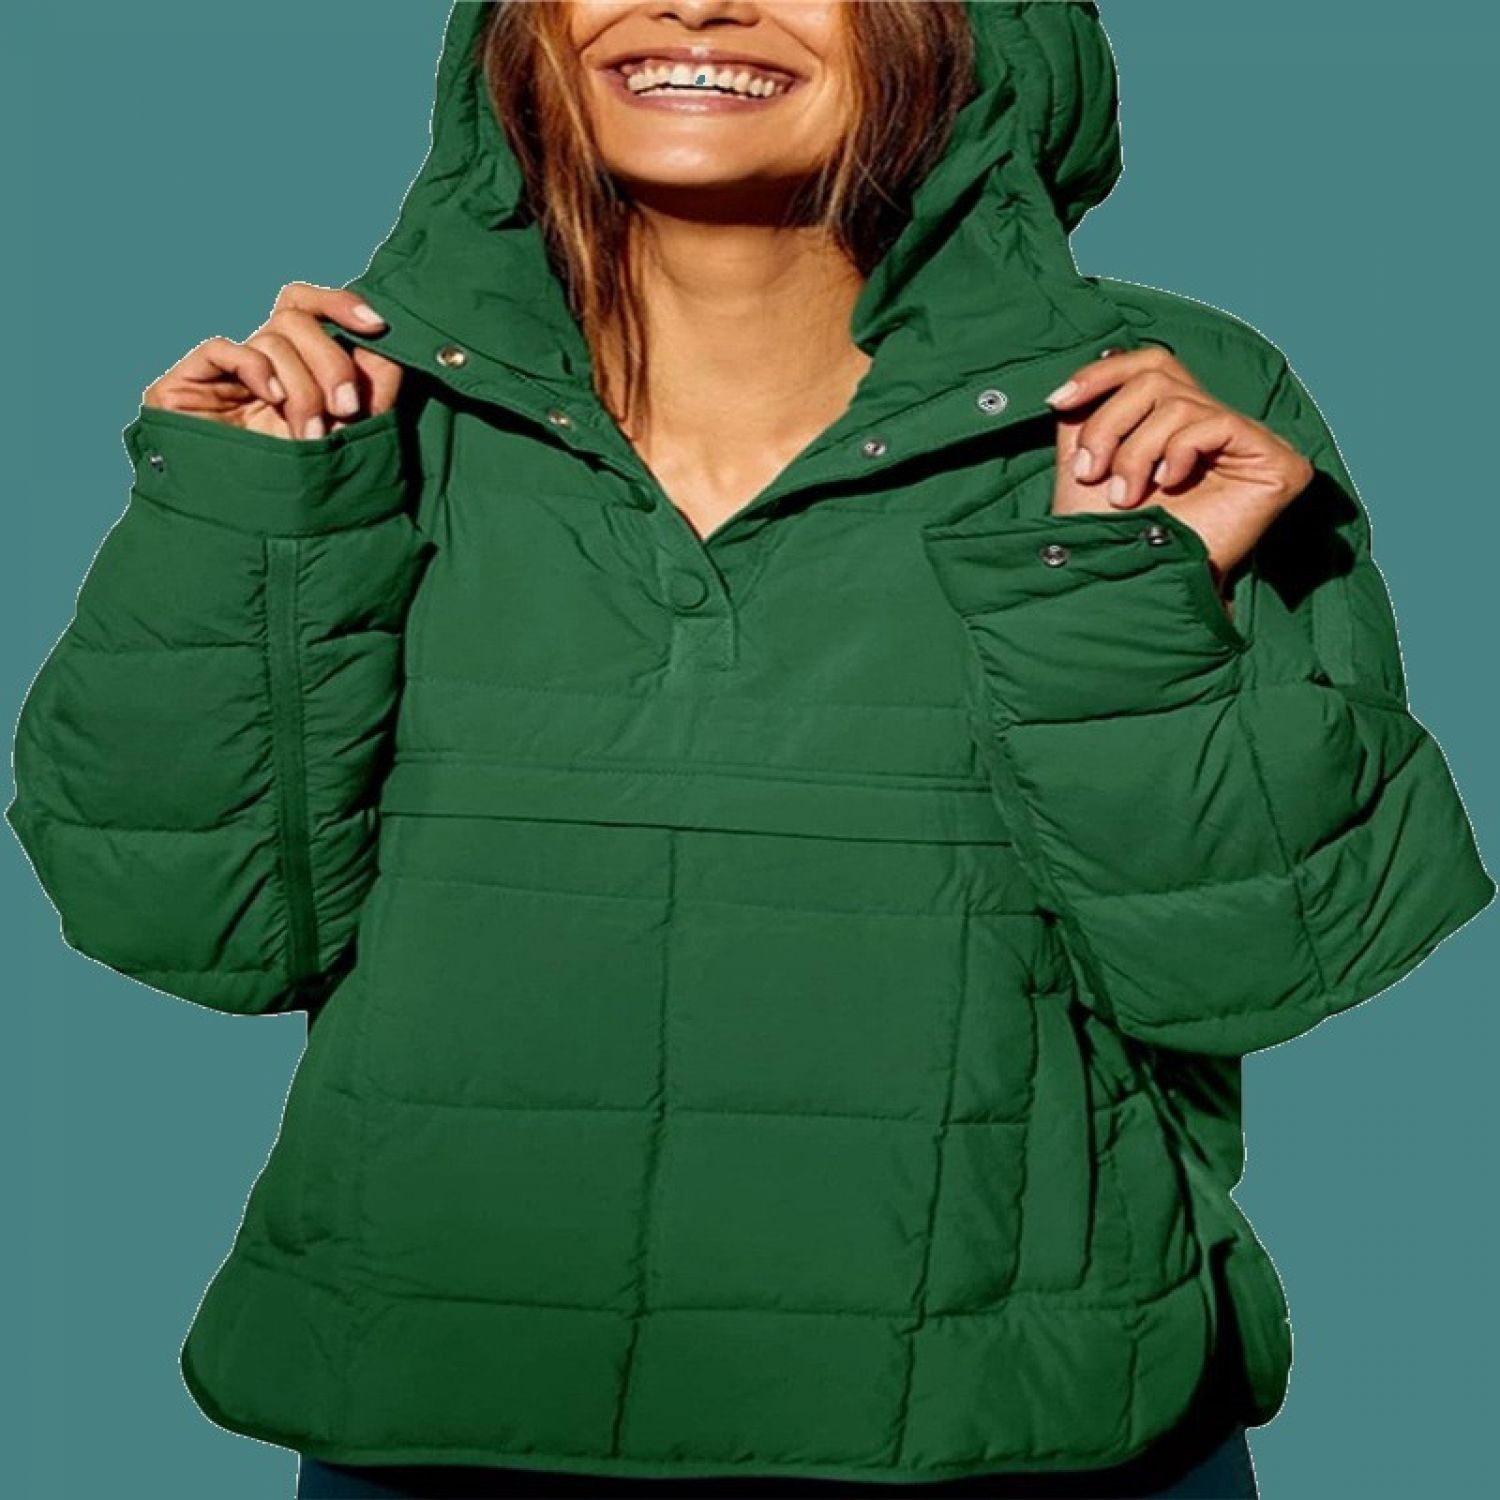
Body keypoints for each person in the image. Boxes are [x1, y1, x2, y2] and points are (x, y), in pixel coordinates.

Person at [6, 2, 1493, 1497]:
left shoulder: (1151, 400)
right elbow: (191, 927)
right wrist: (251, 524)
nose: (696, 2)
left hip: (1034, 1426)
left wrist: (1116, 605)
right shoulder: (352, 405)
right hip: (437, 1406)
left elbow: (1270, 960)